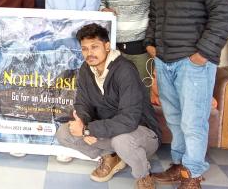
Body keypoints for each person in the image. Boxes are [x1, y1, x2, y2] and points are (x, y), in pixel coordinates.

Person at [145, 0, 228, 189]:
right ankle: (180, 165)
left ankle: (192, 175)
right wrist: (151, 43)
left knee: (193, 120)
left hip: (193, 63)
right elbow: (154, 15)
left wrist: (203, 53)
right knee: (174, 118)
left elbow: (224, 15)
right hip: (165, 60)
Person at [56, 23, 161, 189]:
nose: (89, 53)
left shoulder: (124, 70)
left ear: (106, 46)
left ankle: (144, 175)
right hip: (108, 132)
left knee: (122, 141)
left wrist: (90, 130)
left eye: (94, 47)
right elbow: (83, 102)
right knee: (64, 133)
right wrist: (83, 122)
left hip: (141, 133)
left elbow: (129, 120)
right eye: (84, 49)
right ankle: (110, 156)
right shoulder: (86, 69)